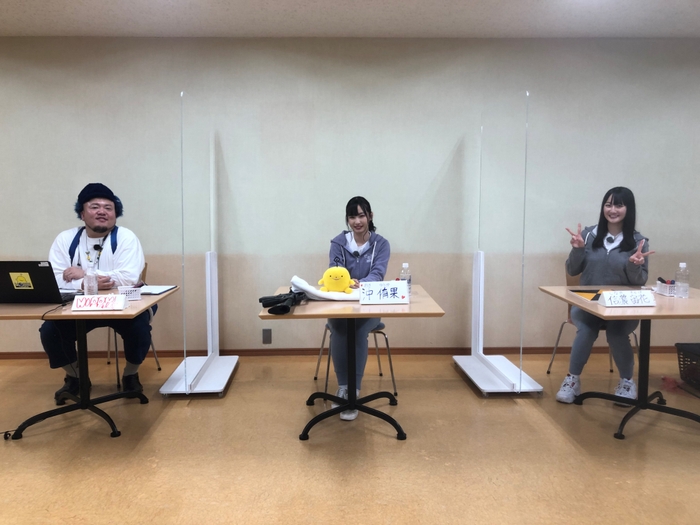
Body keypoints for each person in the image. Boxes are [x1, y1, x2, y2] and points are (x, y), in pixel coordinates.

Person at [39, 183, 152, 404]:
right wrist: (86, 283)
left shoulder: (126, 237)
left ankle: (130, 375)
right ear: (82, 213)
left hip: (124, 304)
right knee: (50, 331)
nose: (102, 211)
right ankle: (76, 377)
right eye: (94, 207)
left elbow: (127, 278)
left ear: (115, 214)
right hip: (77, 307)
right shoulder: (65, 239)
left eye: (108, 208)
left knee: (139, 328)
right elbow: (55, 278)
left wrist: (83, 274)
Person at [556, 186, 654, 404]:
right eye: (608, 205)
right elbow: (572, 270)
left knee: (617, 333)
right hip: (588, 302)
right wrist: (578, 249)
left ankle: (627, 382)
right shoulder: (588, 235)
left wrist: (634, 265)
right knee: (586, 329)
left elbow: (639, 281)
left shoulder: (639, 241)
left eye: (619, 205)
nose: (612, 210)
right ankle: (572, 380)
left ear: (628, 209)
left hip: (622, 305)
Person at [327, 196, 390, 421]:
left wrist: (361, 283)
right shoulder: (338, 243)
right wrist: (345, 282)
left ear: (370, 216)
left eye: (361, 215)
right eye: (352, 217)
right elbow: (334, 271)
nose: (357, 221)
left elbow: (378, 273)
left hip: (369, 306)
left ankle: (354, 389)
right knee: (339, 328)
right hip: (341, 306)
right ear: (347, 219)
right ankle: (343, 387)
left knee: (358, 329)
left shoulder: (381, 244)